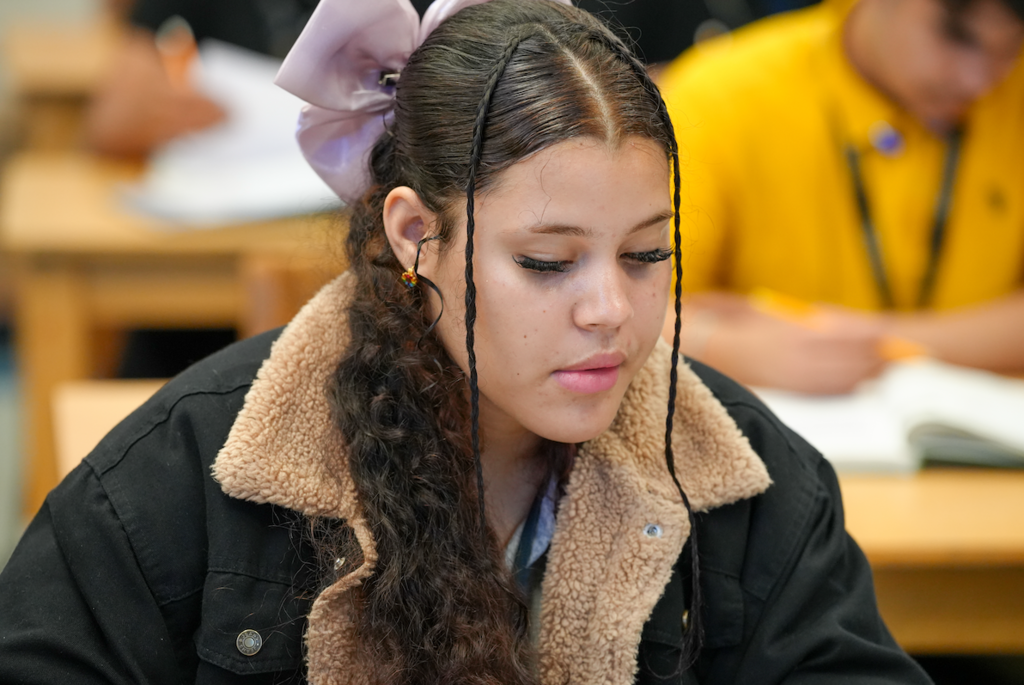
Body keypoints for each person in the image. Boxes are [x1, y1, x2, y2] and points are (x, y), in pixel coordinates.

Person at [0, 1, 933, 683]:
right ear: (415, 235)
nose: (611, 308)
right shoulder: (189, 475)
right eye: (546, 262)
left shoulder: (745, 480)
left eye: (649, 253)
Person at [659, 0, 1024, 394]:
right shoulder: (722, 94)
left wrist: (877, 343)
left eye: (1010, 50)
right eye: (956, 37)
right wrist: (727, 347)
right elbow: (626, 305)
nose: (978, 80)